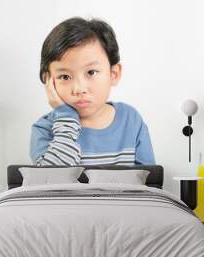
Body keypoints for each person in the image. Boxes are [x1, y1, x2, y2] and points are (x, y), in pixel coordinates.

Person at [29, 17, 155, 166]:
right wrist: (66, 117)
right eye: (65, 76)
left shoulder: (131, 120)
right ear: (49, 81)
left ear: (113, 74)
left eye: (91, 72)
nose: (79, 89)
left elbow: (149, 183)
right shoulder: (44, 129)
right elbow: (51, 182)